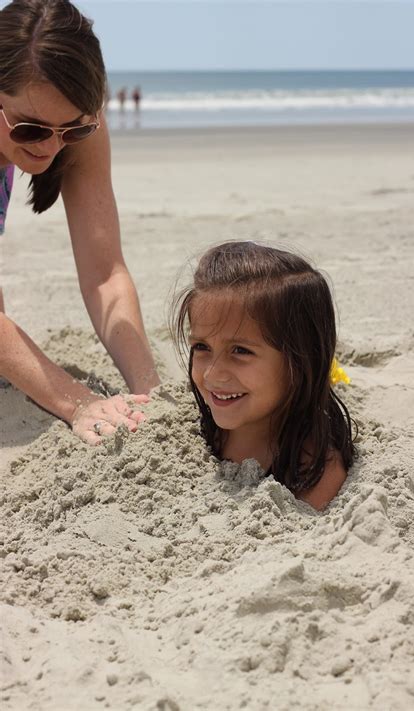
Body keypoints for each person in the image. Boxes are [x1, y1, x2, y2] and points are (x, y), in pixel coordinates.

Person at [0, 0, 159, 445]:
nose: (52, 146)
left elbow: (104, 273)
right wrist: (77, 401)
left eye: (71, 130)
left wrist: (150, 390)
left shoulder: (79, 115)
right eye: (30, 128)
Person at [172, 241, 356, 511]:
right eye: (201, 347)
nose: (212, 373)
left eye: (240, 351)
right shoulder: (194, 429)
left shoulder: (314, 469)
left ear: (300, 361)